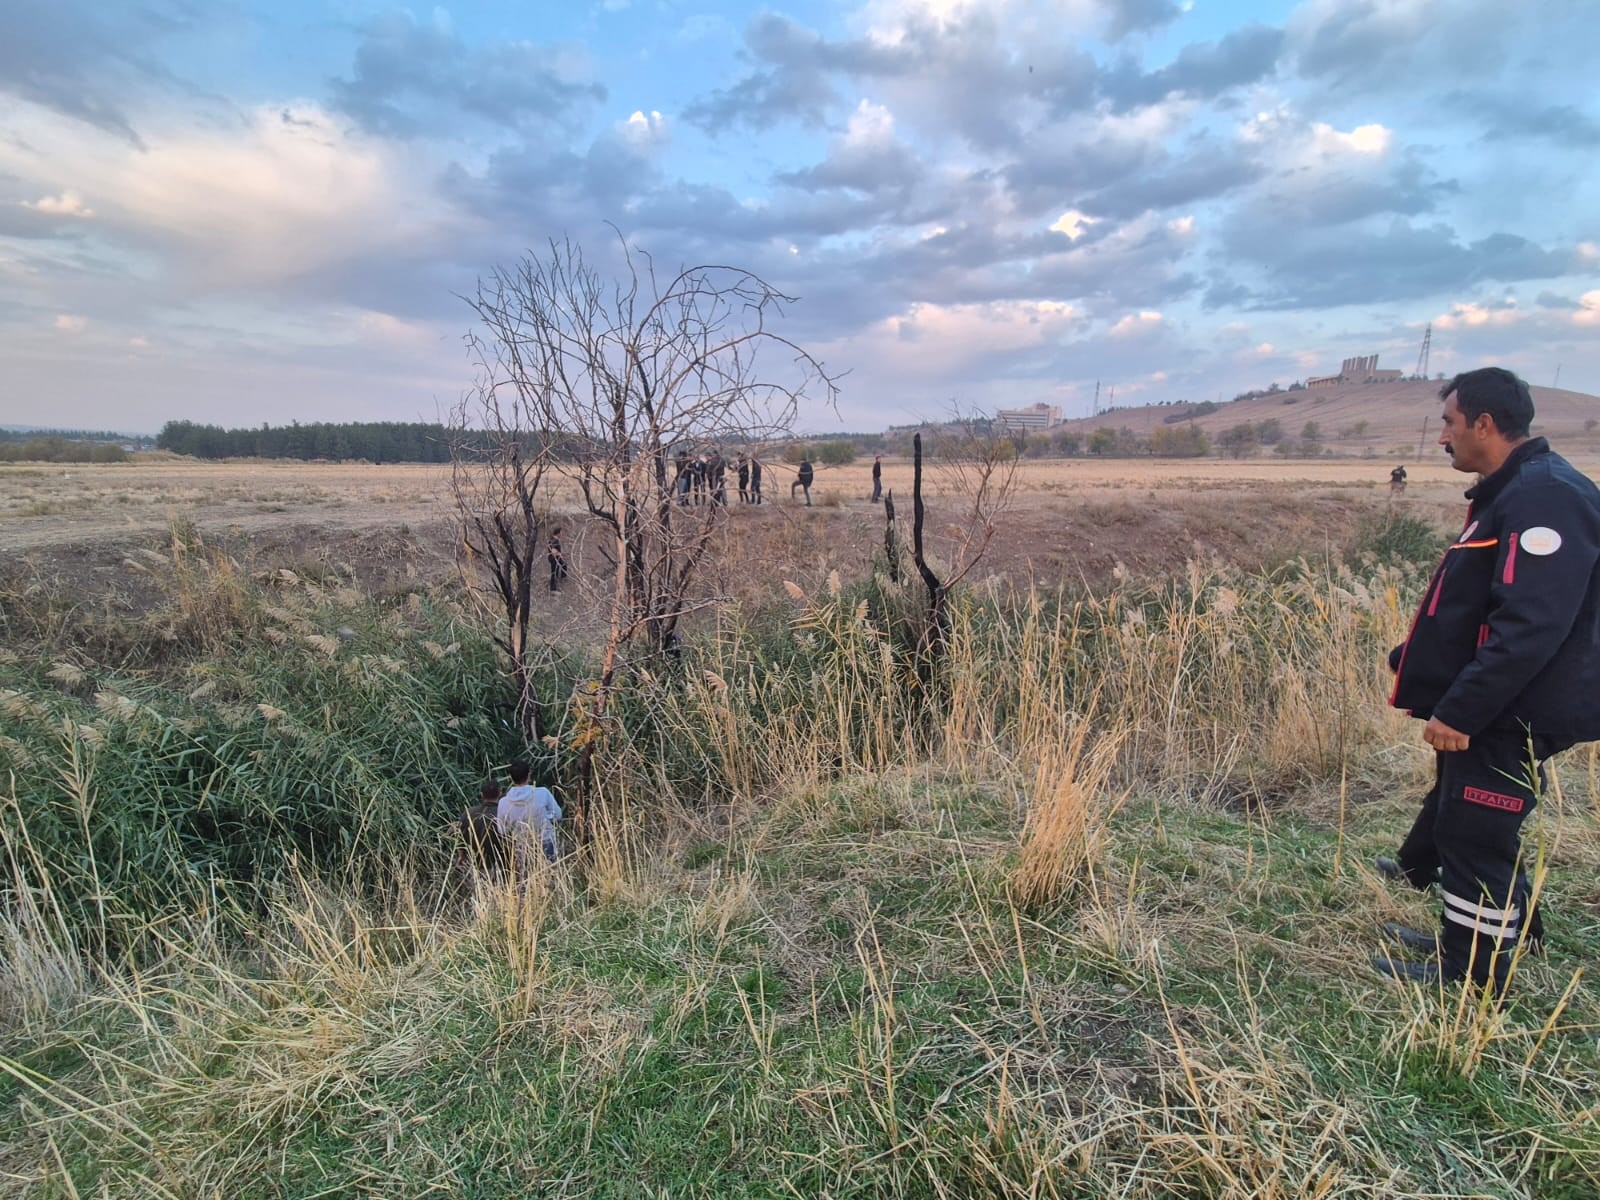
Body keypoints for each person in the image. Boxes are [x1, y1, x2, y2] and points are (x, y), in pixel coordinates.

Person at [1375, 367, 1600, 994]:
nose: (1442, 438)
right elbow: (1487, 608)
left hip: (1513, 707)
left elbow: (1530, 626)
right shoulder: (1517, 493)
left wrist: (1463, 710)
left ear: (1483, 423)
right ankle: (1504, 931)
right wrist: (1419, 658)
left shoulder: (1543, 498)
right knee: (1480, 823)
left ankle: (1469, 973)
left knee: (1474, 829)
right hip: (1506, 699)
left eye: (1449, 424)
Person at [497, 759, 563, 864]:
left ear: (511, 778)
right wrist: (546, 817)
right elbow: (558, 815)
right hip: (546, 842)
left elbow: (502, 830)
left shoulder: (503, 802)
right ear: (529, 775)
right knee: (551, 875)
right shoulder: (543, 793)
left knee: (527, 877)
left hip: (521, 846)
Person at [459, 777, 507, 876]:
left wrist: (461, 856)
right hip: (500, 866)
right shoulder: (503, 813)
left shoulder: (469, 813)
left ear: (481, 795)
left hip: (474, 865)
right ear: (500, 793)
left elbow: (460, 837)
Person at [547, 527, 567, 592]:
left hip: (556, 558)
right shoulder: (553, 541)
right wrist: (560, 554)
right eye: (561, 532)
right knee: (554, 572)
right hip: (554, 559)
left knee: (564, 564)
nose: (562, 534)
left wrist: (561, 554)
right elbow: (553, 551)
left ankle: (563, 578)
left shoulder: (555, 540)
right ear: (558, 533)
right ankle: (553, 589)